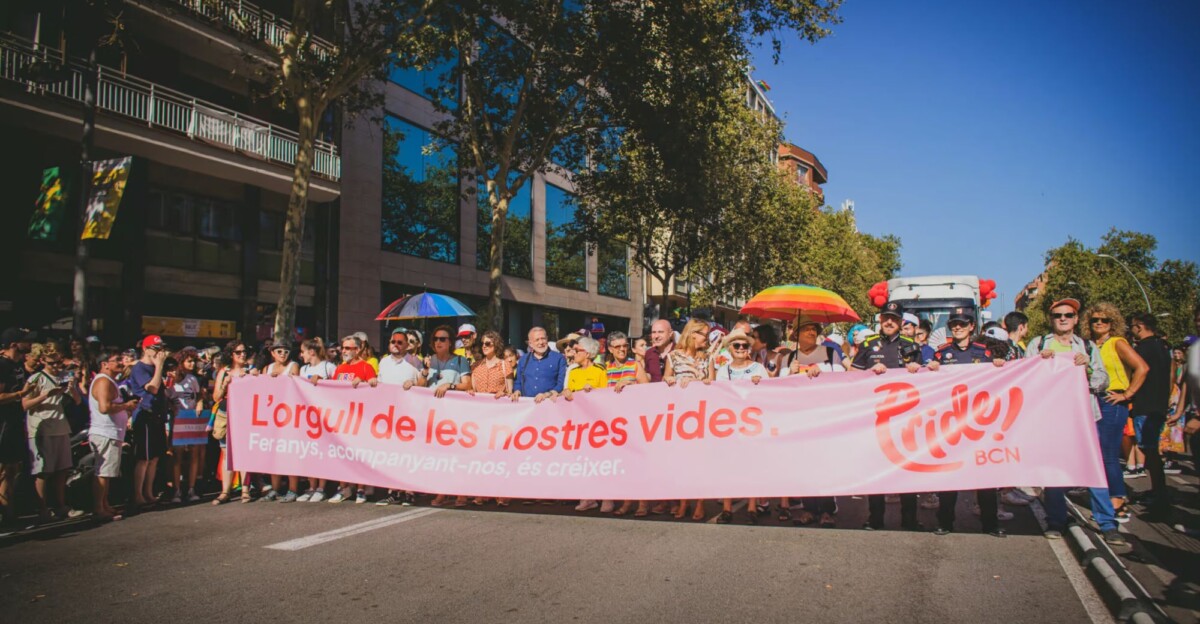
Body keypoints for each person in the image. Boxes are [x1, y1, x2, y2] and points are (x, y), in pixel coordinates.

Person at [1025, 298, 1123, 545]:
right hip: (1051, 418)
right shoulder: (1038, 345)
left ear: (1076, 319)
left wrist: (1088, 367)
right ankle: (1056, 520)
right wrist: (1038, 364)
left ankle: (1108, 524)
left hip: (1084, 418)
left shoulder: (1087, 347)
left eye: (1068, 314)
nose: (1062, 319)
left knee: (1093, 469)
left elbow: (1103, 381)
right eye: (1057, 315)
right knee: (1055, 472)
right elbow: (1025, 379)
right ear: (1051, 318)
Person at [925, 307, 1008, 538]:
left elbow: (1006, 379)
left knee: (985, 476)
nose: (957, 327)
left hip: (980, 423)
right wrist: (929, 369)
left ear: (972, 326)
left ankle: (990, 524)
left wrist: (1001, 367)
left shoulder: (986, 352)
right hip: (950, 423)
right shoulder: (941, 354)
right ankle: (944, 522)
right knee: (949, 476)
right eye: (953, 324)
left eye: (962, 323)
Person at [852, 301, 924, 532]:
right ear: (880, 320)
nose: (889, 322)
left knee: (907, 471)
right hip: (876, 417)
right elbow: (852, 377)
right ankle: (875, 519)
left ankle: (909, 521)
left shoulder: (911, 345)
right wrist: (869, 373)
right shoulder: (868, 344)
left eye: (894, 318)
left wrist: (917, 370)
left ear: (902, 321)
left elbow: (928, 383)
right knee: (876, 468)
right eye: (885, 318)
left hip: (905, 418)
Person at [1083, 302, 1148, 520]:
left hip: (1112, 401)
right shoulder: (1089, 345)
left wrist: (1127, 394)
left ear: (1113, 323)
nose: (1099, 323)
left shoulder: (1117, 343)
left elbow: (1142, 367)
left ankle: (1118, 499)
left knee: (1108, 454)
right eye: (1095, 320)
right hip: (1092, 399)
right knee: (1096, 453)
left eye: (1105, 320)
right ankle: (1105, 497)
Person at [779, 316, 845, 527]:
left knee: (825, 464)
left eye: (813, 329)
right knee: (804, 464)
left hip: (825, 417)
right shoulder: (789, 358)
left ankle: (827, 510)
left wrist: (822, 375)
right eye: (806, 329)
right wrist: (791, 372)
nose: (811, 332)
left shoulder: (830, 353)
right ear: (796, 335)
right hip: (799, 418)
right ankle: (808, 509)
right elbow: (779, 388)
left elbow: (843, 381)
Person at [22, 343, 84, 522]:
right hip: (42, 429)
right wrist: (45, 395)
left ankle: (61, 506)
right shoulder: (36, 378)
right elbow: (25, 404)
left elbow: (79, 401)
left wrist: (72, 390)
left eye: (59, 362)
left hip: (61, 427)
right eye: (52, 363)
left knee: (62, 470)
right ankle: (42, 509)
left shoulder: (65, 376)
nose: (57, 366)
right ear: (43, 361)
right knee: (43, 471)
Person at [712, 329, 768, 524]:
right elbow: (719, 396)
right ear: (730, 348)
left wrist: (759, 384)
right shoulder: (723, 371)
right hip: (730, 424)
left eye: (745, 345)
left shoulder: (758, 369)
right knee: (728, 466)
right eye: (737, 345)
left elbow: (770, 393)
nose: (741, 349)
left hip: (753, 423)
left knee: (752, 465)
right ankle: (727, 508)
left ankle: (752, 507)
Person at [664, 319, 714, 521]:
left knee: (699, 462)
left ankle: (700, 502)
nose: (707, 338)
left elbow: (713, 384)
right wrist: (669, 380)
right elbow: (664, 382)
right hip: (680, 417)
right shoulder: (673, 357)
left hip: (702, 416)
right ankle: (683, 502)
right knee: (682, 462)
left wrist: (697, 383)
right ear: (692, 334)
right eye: (704, 334)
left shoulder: (708, 357)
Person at [1127, 312, 1174, 520]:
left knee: (1149, 451)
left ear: (1139, 326)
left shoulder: (1142, 349)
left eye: (1132, 327)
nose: (1131, 331)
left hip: (1145, 405)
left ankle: (1160, 498)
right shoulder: (1164, 347)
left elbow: (1138, 371)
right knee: (1151, 450)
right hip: (1159, 404)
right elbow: (1172, 375)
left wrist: (1128, 394)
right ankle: (1157, 491)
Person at [325, 335, 378, 504]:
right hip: (342, 418)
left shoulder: (366, 367)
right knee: (342, 454)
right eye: (343, 348)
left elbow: (374, 387)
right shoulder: (340, 369)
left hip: (360, 418)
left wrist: (363, 381)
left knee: (359, 454)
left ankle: (361, 489)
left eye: (348, 348)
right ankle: (344, 488)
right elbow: (332, 390)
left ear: (357, 350)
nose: (344, 351)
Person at [565, 337, 613, 513]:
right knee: (584, 460)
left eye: (577, 350)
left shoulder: (600, 371)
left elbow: (606, 395)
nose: (574, 353)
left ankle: (607, 497)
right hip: (579, 422)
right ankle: (587, 497)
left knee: (601, 460)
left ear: (587, 353)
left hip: (597, 422)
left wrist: (593, 392)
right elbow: (568, 390)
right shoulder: (573, 372)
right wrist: (567, 392)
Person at [88, 349, 137, 521]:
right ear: (104, 364)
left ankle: (105, 504)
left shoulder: (109, 381)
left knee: (107, 473)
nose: (121, 363)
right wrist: (126, 405)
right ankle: (98, 508)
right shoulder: (103, 381)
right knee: (102, 472)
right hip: (105, 432)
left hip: (112, 433)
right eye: (117, 360)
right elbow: (105, 407)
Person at [0, 328, 34, 527]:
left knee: (13, 469)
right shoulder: (3, 365)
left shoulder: (17, 365)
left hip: (15, 421)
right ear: (13, 344)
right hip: (3, 423)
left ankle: (10, 514)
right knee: (4, 469)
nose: (29, 344)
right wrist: (21, 394)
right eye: (25, 341)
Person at [296, 338, 337, 502]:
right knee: (309, 452)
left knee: (322, 452)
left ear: (311, 352)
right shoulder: (303, 369)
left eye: (303, 351)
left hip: (324, 415)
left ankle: (321, 487)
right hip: (307, 415)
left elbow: (339, 388)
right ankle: (311, 486)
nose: (301, 355)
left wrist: (323, 381)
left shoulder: (329, 367)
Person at [212, 341, 251, 504]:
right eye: (238, 352)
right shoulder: (224, 371)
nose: (242, 354)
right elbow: (216, 397)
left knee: (244, 453)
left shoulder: (251, 370)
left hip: (244, 413)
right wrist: (226, 383)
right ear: (231, 354)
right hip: (226, 412)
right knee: (226, 453)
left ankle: (245, 489)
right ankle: (225, 491)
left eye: (244, 352)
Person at [167, 348, 207, 504]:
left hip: (192, 419)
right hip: (177, 420)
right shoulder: (171, 381)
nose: (192, 364)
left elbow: (198, 396)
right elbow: (167, 398)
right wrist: (172, 406)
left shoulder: (192, 379)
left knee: (194, 454)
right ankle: (176, 489)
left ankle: (191, 488)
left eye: (193, 361)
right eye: (189, 361)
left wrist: (200, 403)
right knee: (176, 456)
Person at [511, 327, 567, 403]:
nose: (541, 342)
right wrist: (517, 391)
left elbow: (561, 384)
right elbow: (518, 381)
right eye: (537, 340)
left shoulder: (559, 358)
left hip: (549, 405)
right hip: (527, 407)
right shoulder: (523, 359)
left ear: (547, 339)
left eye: (543, 338)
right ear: (530, 343)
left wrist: (547, 394)